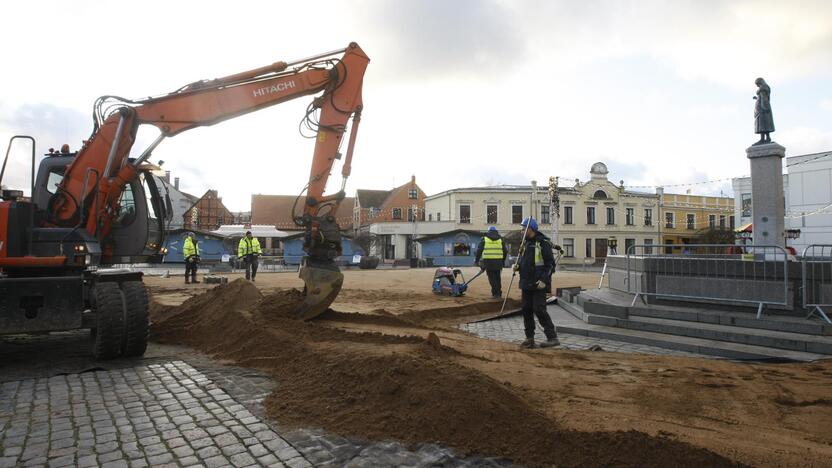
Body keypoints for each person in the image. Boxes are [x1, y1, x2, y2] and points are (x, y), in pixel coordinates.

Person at [515, 217, 559, 348]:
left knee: (539, 310)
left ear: (531, 229)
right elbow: (525, 261)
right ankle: (529, 338)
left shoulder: (542, 243)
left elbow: (550, 264)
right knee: (526, 310)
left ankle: (552, 337)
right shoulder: (525, 243)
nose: (522, 231)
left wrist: (544, 280)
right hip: (526, 282)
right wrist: (518, 266)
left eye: (524, 229)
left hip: (539, 283)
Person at [475, 226, 508, 298]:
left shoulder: (484, 239)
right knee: (497, 278)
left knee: (492, 278)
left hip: (489, 262)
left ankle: (495, 294)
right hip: (499, 262)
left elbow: (479, 250)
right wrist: (503, 261)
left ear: (488, 231)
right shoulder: (500, 239)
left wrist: (476, 261)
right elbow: (505, 251)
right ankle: (499, 293)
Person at [754, 77, 775, 144]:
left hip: (762, 109)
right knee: (766, 123)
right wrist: (756, 98)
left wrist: (764, 107)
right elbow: (762, 98)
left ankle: (762, 139)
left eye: (757, 84)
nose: (757, 86)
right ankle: (767, 138)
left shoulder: (762, 89)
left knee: (762, 124)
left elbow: (764, 99)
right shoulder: (764, 88)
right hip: (763, 108)